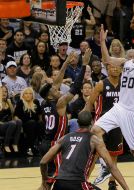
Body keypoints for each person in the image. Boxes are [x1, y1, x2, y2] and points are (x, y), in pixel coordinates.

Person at [91, 24, 134, 183]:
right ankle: (106, 165)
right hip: (119, 107)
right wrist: (102, 43)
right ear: (133, 50)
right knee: (95, 131)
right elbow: (106, 60)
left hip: (133, 112)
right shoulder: (125, 62)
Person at [38, 111, 129, 190]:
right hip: (78, 184)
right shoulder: (94, 140)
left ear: (77, 122)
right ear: (92, 122)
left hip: (59, 184)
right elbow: (111, 166)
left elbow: (43, 162)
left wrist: (45, 179)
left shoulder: (65, 138)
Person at [39, 49, 92, 184]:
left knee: (48, 180)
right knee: (58, 178)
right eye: (56, 90)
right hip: (53, 144)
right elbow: (75, 88)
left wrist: (66, 62)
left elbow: (57, 81)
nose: (59, 90)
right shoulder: (60, 103)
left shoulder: (45, 101)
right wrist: (84, 64)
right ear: (51, 94)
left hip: (46, 142)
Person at [85, 64, 123, 189]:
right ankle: (84, 180)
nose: (115, 68)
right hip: (102, 122)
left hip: (117, 123)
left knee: (114, 154)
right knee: (94, 153)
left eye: (117, 67)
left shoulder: (124, 85)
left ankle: (112, 182)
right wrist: (85, 121)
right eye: (112, 67)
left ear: (121, 69)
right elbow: (90, 102)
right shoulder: (101, 84)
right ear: (107, 69)